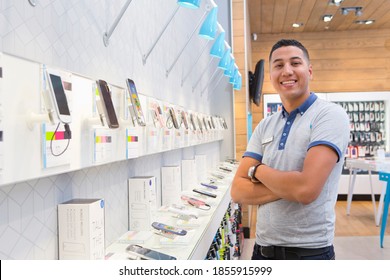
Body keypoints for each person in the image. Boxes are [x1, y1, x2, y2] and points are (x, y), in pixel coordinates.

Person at [231, 39, 350, 260]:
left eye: (295, 63)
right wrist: (292, 187)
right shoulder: (266, 125)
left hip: (309, 254)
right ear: (270, 75)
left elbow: (306, 190)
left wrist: (257, 171)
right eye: (278, 65)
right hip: (262, 250)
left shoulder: (329, 116)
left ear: (309, 70)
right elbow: (238, 190)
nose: (287, 71)